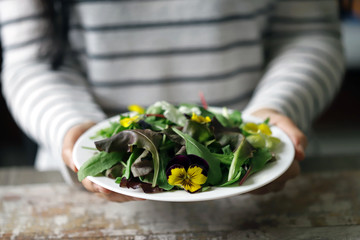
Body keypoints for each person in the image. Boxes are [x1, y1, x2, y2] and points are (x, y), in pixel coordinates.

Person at [0, 0, 344, 202]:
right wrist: (71, 129)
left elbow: (309, 33)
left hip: (266, 180)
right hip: (80, 190)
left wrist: (275, 110)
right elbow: (31, 60)